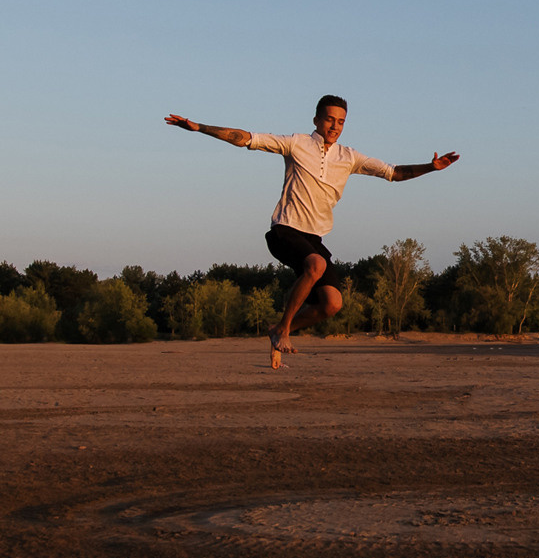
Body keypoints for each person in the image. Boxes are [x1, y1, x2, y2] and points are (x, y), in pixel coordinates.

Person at [164, 95, 458, 367]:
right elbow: (245, 138)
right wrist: (199, 127)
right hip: (284, 230)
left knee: (332, 304)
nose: (335, 126)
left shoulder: (349, 157)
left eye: (341, 121)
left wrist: (431, 167)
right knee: (315, 265)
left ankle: (279, 328)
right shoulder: (296, 144)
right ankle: (283, 333)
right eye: (330, 119)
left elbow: (394, 173)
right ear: (317, 119)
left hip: (314, 239)